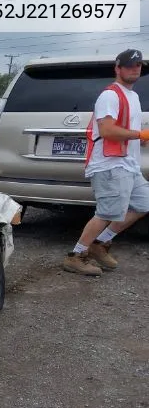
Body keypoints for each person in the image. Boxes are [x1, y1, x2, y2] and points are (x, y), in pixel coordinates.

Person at [62, 49, 149, 276]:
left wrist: (139, 141)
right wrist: (140, 135)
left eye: (138, 65)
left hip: (128, 164)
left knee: (144, 204)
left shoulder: (133, 97)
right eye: (130, 65)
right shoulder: (110, 95)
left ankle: (99, 244)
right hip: (110, 165)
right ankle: (76, 256)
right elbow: (107, 130)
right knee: (107, 212)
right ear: (118, 68)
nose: (135, 69)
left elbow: (124, 130)